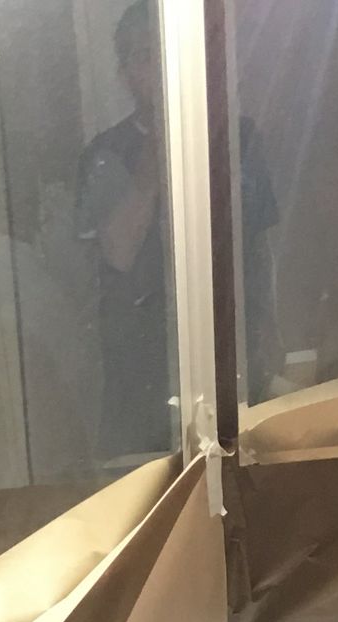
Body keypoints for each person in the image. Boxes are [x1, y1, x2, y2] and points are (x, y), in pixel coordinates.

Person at [77, 2, 279, 461]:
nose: (158, 68)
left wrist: (271, 330)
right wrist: (157, 150)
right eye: (144, 56)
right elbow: (119, 252)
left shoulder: (239, 138)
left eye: (164, 53)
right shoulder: (105, 156)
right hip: (142, 379)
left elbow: (260, 246)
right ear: (126, 72)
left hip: (235, 359)